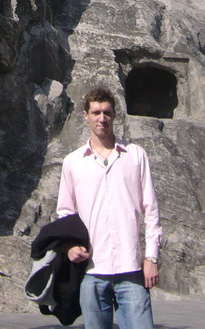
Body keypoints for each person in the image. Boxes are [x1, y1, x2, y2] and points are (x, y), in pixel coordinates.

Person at [57, 87, 161, 329]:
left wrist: (152, 257)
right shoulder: (73, 162)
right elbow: (65, 211)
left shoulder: (135, 155)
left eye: (106, 112)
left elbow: (151, 209)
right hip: (92, 269)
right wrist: (69, 245)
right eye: (95, 113)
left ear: (114, 115)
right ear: (86, 116)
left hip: (131, 267)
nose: (101, 118)